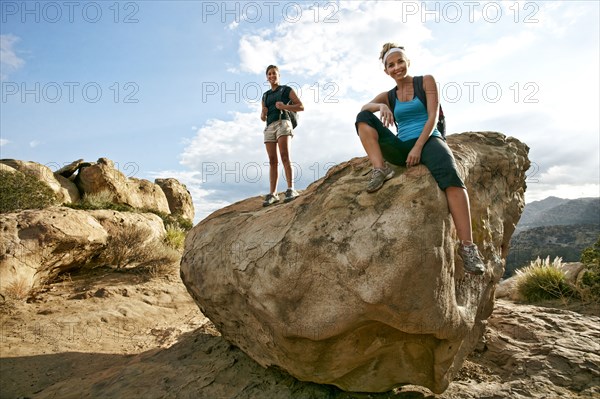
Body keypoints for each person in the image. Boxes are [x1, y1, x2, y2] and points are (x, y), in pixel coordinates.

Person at [354, 43, 485, 275]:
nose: (397, 67)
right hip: (401, 146)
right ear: (386, 71)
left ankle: (468, 248)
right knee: (362, 117)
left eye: (400, 62)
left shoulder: (426, 81)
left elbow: (433, 116)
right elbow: (365, 108)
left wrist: (418, 146)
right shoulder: (389, 95)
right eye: (391, 65)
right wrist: (381, 105)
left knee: (451, 179)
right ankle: (380, 169)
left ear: (408, 62)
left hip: (428, 140)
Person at [261, 65, 304, 206]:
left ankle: (291, 189)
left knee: (284, 155)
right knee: (272, 160)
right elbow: (262, 117)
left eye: (274, 73)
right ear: (267, 77)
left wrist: (284, 106)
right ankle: (273, 194)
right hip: (269, 127)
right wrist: (263, 113)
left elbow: (301, 106)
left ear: (278, 75)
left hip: (283, 122)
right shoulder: (265, 95)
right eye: (269, 74)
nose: (272, 76)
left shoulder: (286, 90)